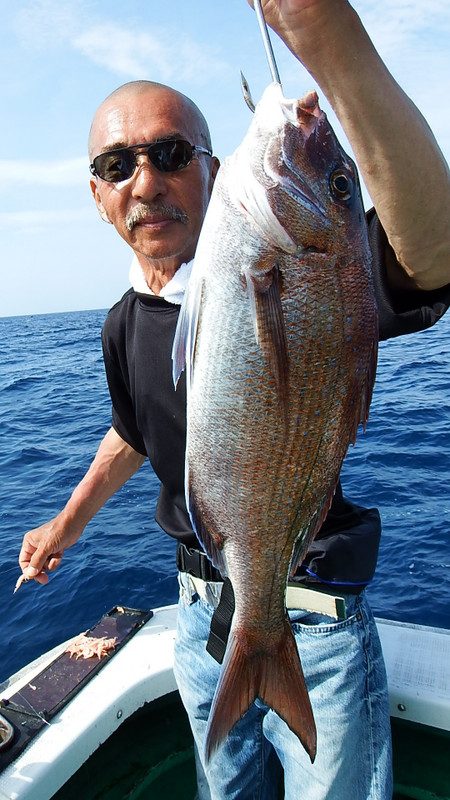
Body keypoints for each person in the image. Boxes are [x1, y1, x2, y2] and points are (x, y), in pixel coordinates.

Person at [17, 1, 450, 798]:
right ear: (97, 194)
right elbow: (137, 433)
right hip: (197, 612)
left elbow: (433, 254)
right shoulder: (124, 321)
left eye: (172, 152)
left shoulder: (309, 268)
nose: (145, 180)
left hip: (311, 611)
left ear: (214, 169)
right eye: (119, 165)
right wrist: (66, 522)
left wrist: (329, 45)